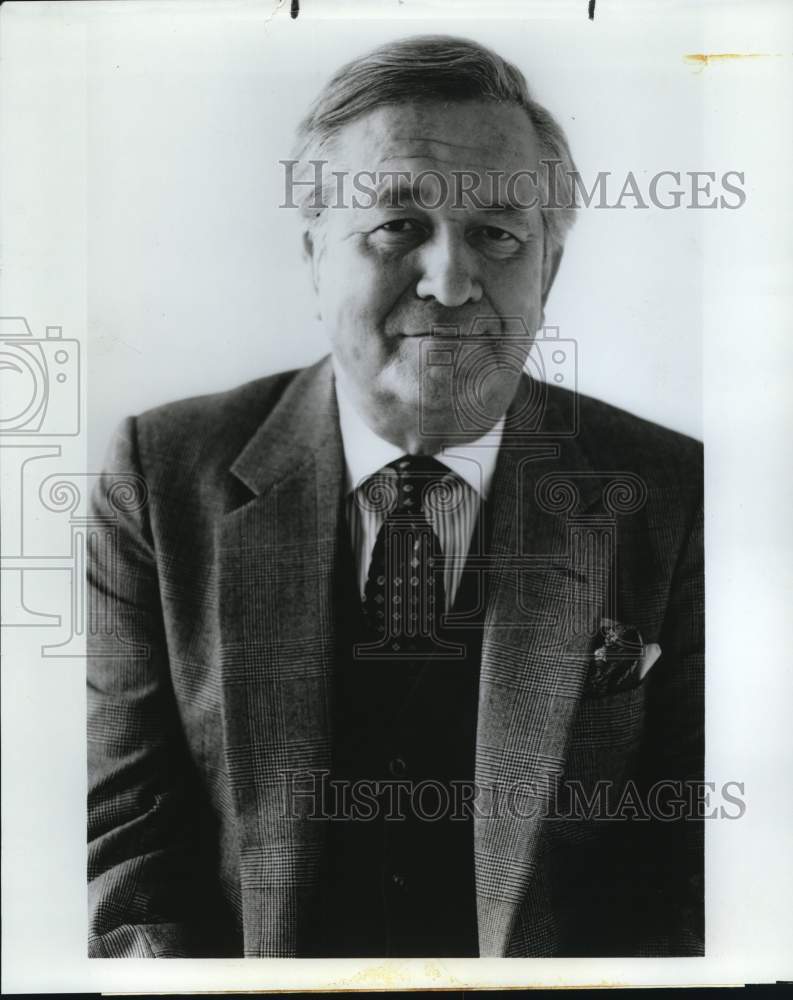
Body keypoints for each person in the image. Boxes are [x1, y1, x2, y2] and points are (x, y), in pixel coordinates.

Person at [87, 35, 704, 959]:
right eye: (395, 225)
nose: (451, 282)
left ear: (547, 272)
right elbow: (126, 849)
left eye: (498, 235)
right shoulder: (157, 479)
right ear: (312, 255)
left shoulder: (675, 494)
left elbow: (700, 876)